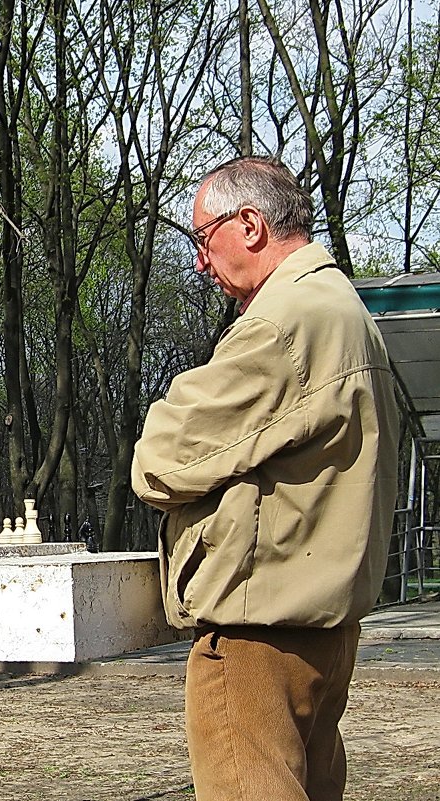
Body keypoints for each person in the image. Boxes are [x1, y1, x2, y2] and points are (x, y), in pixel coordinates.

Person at [131, 157, 399, 801]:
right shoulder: (344, 309)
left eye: (202, 238)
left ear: (249, 225)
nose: (199, 261)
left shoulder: (284, 324)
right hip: (320, 633)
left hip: (258, 639)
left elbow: (158, 461)